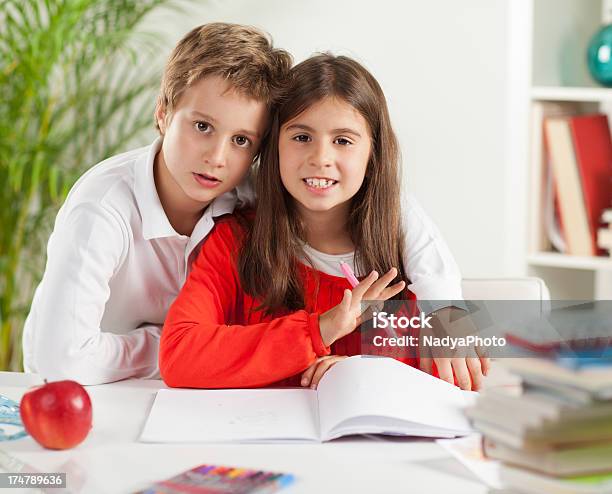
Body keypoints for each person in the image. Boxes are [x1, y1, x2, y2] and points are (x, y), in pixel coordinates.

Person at [160, 54, 488, 390]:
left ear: (372, 154)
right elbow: (178, 356)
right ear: (274, 147)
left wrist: (364, 372)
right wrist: (318, 330)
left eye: (343, 141)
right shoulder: (235, 242)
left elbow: (460, 370)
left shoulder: (408, 256)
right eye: (301, 137)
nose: (320, 158)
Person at [22, 23, 292, 385]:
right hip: (86, 388)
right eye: (202, 127)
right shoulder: (102, 207)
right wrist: (177, 348)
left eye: (241, 140)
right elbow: (64, 360)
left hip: (191, 390)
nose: (217, 157)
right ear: (163, 114)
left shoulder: (251, 200)